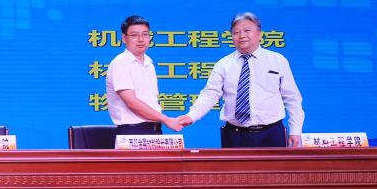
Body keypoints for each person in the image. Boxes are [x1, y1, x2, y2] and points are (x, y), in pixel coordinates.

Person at [179, 12, 304, 148]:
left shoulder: (277, 60)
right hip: (235, 135)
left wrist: (295, 130)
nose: (242, 36)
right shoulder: (223, 64)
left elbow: (292, 98)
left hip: (272, 133)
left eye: (247, 30)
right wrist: (192, 116)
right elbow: (210, 94)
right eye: (236, 32)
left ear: (259, 34)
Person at [106, 15, 183, 136]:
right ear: (124, 38)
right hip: (132, 131)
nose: (141, 39)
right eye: (134, 35)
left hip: (154, 129)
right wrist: (166, 119)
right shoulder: (120, 63)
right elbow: (131, 102)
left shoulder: (149, 63)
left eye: (145, 34)